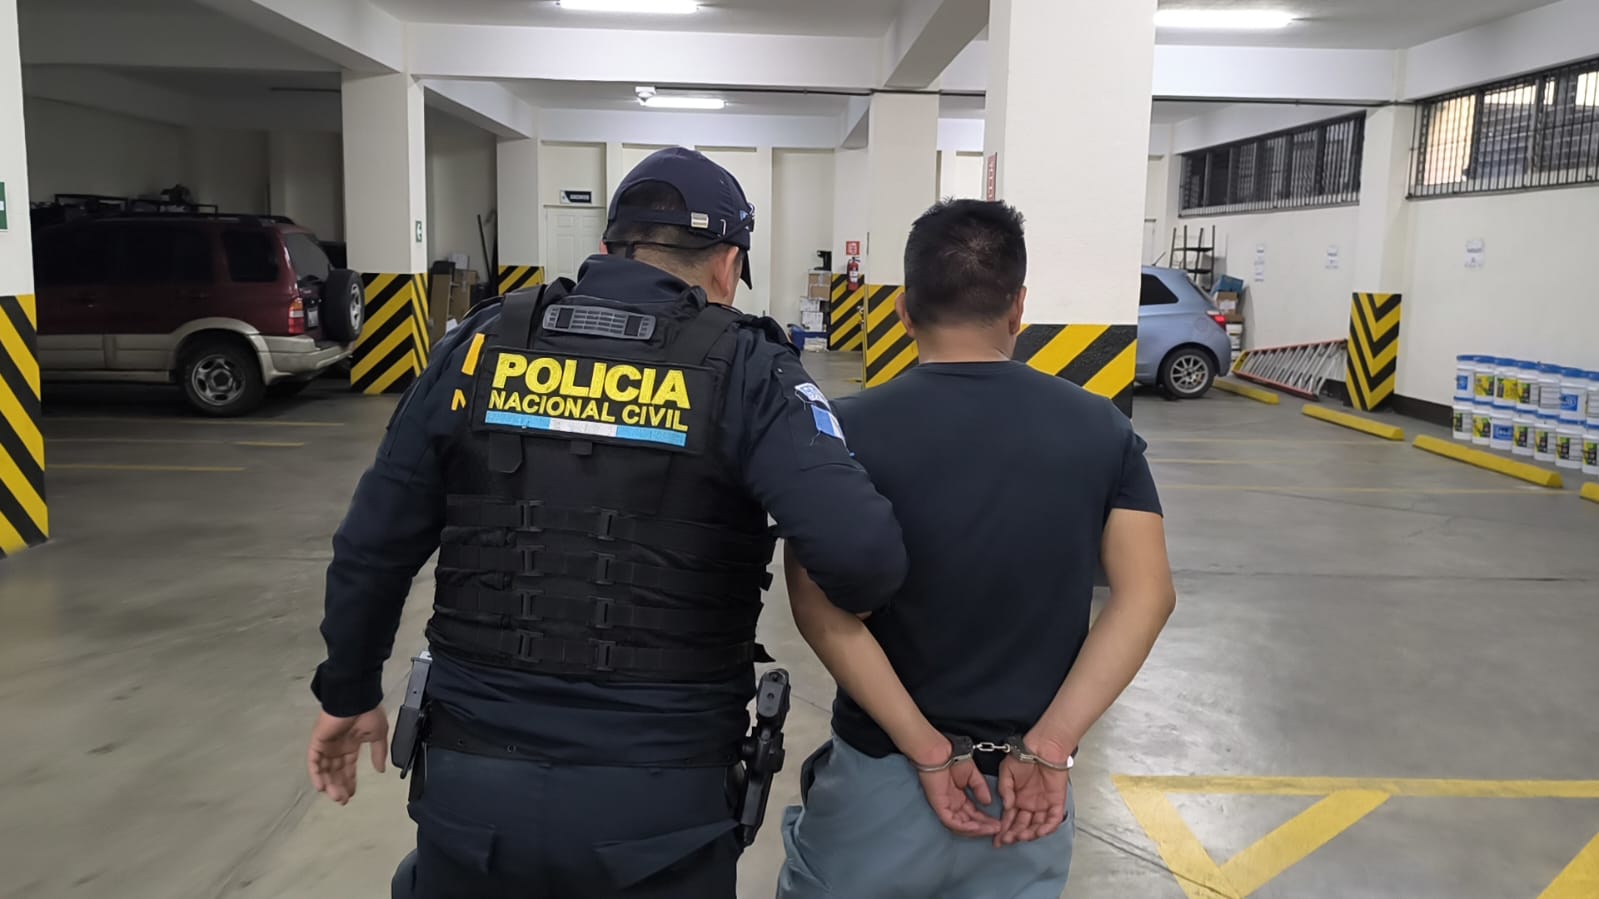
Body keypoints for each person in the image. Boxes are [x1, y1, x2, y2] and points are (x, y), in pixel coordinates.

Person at [304, 147, 908, 899]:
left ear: (606, 247)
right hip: (659, 797)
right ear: (728, 264)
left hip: (473, 777)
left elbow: (372, 546)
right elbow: (862, 558)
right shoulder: (751, 369)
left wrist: (348, 689)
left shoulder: (481, 345)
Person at [776, 199, 1177, 899]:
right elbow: (1148, 596)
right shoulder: (1100, 429)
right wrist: (1051, 743)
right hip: (1026, 800)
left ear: (903, 310)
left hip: (881, 779)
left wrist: (926, 748)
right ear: (1018, 307)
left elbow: (817, 605)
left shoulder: (841, 432)